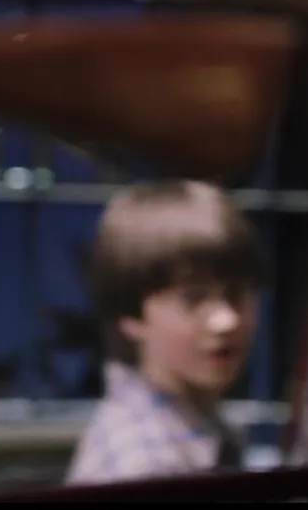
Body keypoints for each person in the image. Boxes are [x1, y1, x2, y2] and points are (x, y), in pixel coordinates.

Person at [66, 180, 266, 484]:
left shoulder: (203, 428)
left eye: (236, 294)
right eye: (193, 299)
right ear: (131, 314)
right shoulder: (145, 464)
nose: (226, 321)